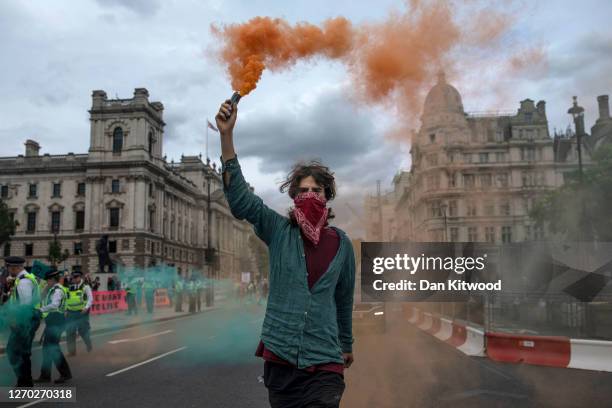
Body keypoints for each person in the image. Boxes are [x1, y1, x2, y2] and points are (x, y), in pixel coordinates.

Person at [216, 99, 355, 407]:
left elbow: (343, 299)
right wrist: (226, 136)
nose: (309, 195)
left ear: (327, 196)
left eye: (316, 191)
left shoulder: (342, 244)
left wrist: (346, 343)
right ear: (294, 197)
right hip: (281, 361)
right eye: (302, 191)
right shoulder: (278, 231)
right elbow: (240, 200)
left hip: (326, 362)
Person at [4, 256, 41, 387]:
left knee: (13, 351)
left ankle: (24, 382)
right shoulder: (23, 279)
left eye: (9, 267)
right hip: (29, 320)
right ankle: (25, 381)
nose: (8, 269)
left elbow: (26, 305)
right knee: (22, 352)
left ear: (15, 267)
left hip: (25, 321)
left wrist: (16, 320)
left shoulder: (24, 282)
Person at [35, 268, 72, 384]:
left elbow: (55, 304)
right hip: (52, 321)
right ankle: (45, 376)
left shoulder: (58, 290)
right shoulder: (52, 289)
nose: (47, 282)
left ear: (52, 279)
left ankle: (65, 374)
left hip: (57, 321)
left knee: (53, 348)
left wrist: (41, 310)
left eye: (48, 280)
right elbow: (43, 299)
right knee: (47, 349)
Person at [65, 271, 93, 356]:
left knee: (83, 331)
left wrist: (86, 308)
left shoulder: (85, 287)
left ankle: (89, 344)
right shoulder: (69, 287)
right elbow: (66, 299)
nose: (73, 279)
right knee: (70, 332)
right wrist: (66, 310)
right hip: (70, 312)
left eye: (75, 278)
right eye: (72, 278)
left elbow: (90, 298)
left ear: (79, 278)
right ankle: (72, 352)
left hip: (81, 312)